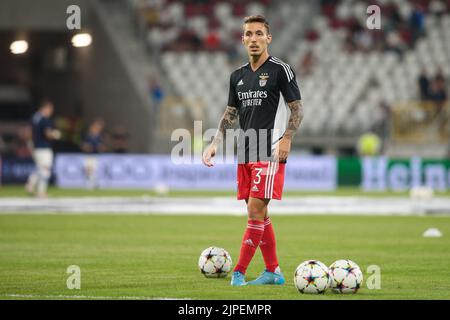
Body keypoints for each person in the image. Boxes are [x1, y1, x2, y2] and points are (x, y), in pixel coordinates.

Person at [202, 15, 303, 286]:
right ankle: (273, 271)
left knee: (255, 211)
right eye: (249, 34)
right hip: (246, 148)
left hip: (269, 148)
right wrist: (215, 143)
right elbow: (230, 113)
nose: (254, 39)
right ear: (243, 39)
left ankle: (238, 273)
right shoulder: (237, 76)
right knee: (260, 212)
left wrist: (287, 138)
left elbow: (297, 109)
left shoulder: (281, 69)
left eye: (259, 33)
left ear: (268, 38)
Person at [25, 99, 61, 198]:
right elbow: (48, 134)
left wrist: (30, 144)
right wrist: (55, 134)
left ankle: (31, 183)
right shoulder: (44, 119)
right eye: (50, 109)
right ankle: (39, 190)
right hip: (44, 147)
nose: (51, 112)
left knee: (41, 167)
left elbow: (28, 132)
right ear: (46, 108)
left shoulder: (35, 117)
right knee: (46, 169)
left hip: (35, 146)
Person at [81, 119, 106, 189]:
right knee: (89, 169)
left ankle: (93, 183)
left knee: (94, 169)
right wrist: (87, 148)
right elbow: (84, 146)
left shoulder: (99, 137)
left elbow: (102, 147)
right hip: (88, 155)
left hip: (95, 156)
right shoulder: (88, 136)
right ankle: (89, 183)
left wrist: (100, 148)